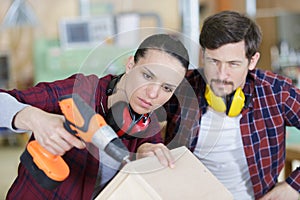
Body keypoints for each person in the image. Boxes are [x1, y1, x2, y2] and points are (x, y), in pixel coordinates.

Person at [0, 33, 190, 199]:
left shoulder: (147, 120)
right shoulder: (81, 91)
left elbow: (147, 150)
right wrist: (34, 118)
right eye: (147, 76)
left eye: (166, 88)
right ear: (131, 65)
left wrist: (145, 152)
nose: (153, 94)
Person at [164, 11, 300, 200]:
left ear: (252, 61)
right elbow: (132, 113)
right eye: (213, 61)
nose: (221, 75)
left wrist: (294, 186)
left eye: (233, 64)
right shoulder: (180, 88)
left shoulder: (277, 91)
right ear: (202, 56)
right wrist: (145, 145)